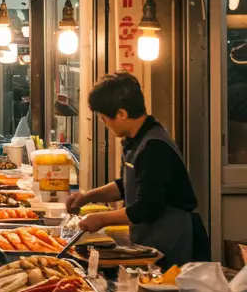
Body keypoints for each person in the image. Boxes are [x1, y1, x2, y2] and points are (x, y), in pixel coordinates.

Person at [67, 73, 209, 269]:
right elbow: (126, 185)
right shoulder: (136, 140)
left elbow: (147, 206)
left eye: (104, 118)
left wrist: (101, 219)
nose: (105, 125)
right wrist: (87, 197)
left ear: (122, 114)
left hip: (172, 238)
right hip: (151, 237)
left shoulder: (153, 146)